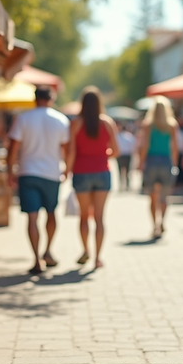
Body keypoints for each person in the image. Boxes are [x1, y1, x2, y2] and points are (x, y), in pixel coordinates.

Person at [7, 87, 70, 274]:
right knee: (51, 213)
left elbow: (13, 148)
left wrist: (9, 171)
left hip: (28, 172)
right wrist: (67, 167)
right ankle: (48, 251)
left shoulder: (24, 119)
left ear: (35, 99)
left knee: (32, 217)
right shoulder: (60, 119)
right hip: (51, 173)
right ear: (51, 99)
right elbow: (66, 148)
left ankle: (36, 260)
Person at [65, 87, 119, 268]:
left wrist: (67, 170)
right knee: (99, 218)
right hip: (102, 172)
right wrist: (102, 156)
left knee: (83, 216)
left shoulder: (75, 124)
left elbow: (71, 151)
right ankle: (98, 258)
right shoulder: (107, 122)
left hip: (81, 172)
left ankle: (86, 250)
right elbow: (116, 150)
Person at [138, 96, 178, 239]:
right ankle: (162, 222)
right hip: (166, 161)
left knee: (152, 197)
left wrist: (140, 162)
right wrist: (175, 163)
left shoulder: (148, 124)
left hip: (152, 161)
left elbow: (145, 145)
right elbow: (174, 147)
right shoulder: (172, 125)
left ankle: (155, 224)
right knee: (164, 196)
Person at [114, 122, 135, 191]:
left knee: (121, 170)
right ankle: (126, 185)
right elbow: (132, 146)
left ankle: (122, 185)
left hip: (121, 155)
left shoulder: (118, 136)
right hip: (126, 155)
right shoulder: (129, 136)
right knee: (127, 171)